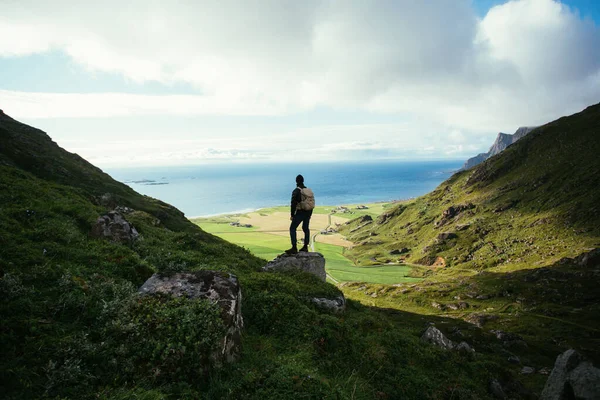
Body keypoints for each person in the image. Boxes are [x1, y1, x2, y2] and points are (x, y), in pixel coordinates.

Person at [285, 174, 315, 254]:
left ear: (296, 181)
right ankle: (305, 247)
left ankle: (294, 247)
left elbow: (293, 203)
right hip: (308, 212)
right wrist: (309, 214)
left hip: (300, 212)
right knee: (305, 228)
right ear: (303, 181)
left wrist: (292, 215)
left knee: (292, 228)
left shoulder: (297, 191)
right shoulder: (308, 190)